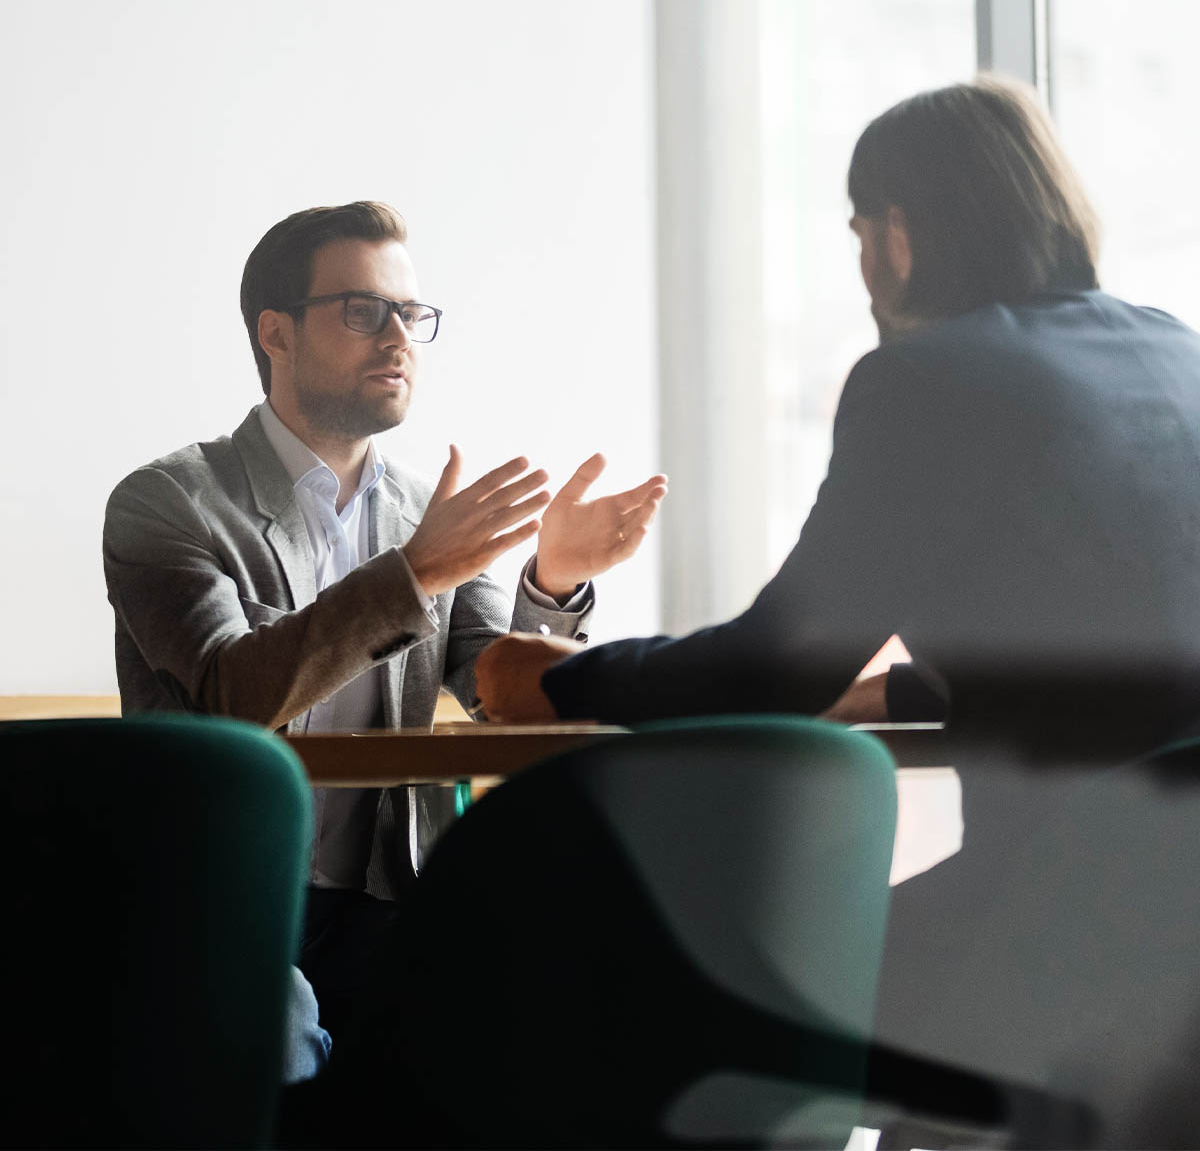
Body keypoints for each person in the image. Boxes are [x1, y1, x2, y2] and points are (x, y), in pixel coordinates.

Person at [102, 200, 667, 1052]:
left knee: (551, 992)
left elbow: (498, 697)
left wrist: (554, 581)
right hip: (214, 893)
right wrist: (417, 574)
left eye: (411, 314)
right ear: (275, 333)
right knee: (275, 1036)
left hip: (388, 899)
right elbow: (228, 693)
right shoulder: (169, 502)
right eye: (363, 311)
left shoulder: (420, 513)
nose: (399, 337)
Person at [475, 75, 1200, 736]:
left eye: (860, 237)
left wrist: (566, 679)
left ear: (901, 235)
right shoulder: (1178, 351)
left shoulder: (928, 381)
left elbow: (789, 660)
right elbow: (1120, 643)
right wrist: (901, 692)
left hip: (1073, 865)